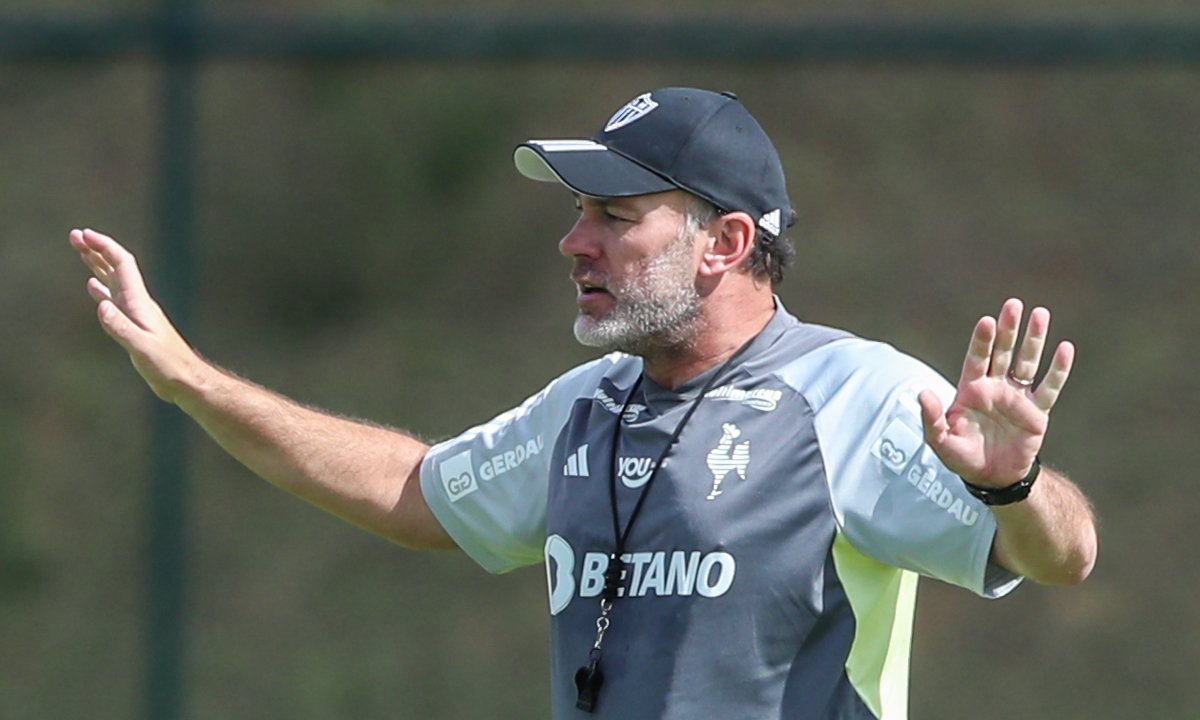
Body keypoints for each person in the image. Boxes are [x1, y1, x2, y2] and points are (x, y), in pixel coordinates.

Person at [70, 87, 1097, 719]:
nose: (576, 243)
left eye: (616, 215)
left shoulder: (855, 394)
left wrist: (1015, 486)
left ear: (726, 244)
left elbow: (1065, 555)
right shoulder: (585, 407)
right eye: (578, 215)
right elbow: (409, 488)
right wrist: (195, 383)